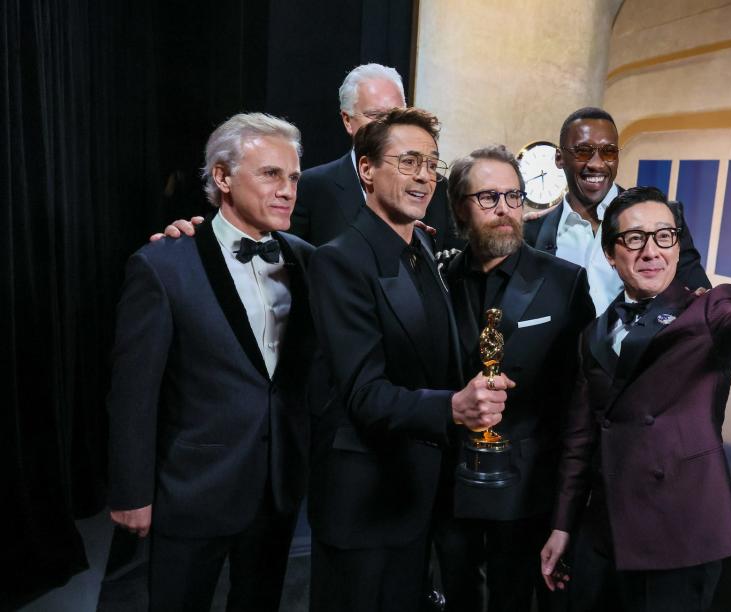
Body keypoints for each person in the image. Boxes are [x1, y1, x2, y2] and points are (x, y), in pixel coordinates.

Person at [539, 179, 731, 612]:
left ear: (676, 245)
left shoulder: (708, 311)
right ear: (611, 255)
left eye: (664, 236)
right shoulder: (592, 333)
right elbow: (580, 441)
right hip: (604, 532)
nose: (651, 251)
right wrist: (562, 526)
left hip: (679, 534)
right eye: (634, 239)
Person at [106, 113, 315, 611]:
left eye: (293, 178)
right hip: (192, 489)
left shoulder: (309, 260)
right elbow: (133, 393)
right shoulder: (163, 264)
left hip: (277, 486)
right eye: (270, 174)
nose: (287, 189)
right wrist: (131, 491)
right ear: (222, 177)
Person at [307, 108, 513, 612]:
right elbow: (364, 394)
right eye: (409, 161)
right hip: (365, 502)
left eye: (431, 164)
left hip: (419, 496)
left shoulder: (421, 242)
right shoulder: (340, 260)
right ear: (366, 170)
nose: (424, 176)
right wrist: (453, 408)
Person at [435, 145, 595, 612]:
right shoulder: (439, 276)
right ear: (460, 208)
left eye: (513, 196)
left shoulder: (565, 282)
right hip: (451, 484)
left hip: (527, 487)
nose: (505, 209)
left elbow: (577, 399)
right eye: (488, 198)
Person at [524, 107, 709, 313]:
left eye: (608, 151)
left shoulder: (666, 219)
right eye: (583, 151)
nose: (596, 164)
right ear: (559, 158)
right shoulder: (531, 232)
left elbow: (700, 300)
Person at [291, 63, 460, 250]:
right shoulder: (313, 186)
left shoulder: (436, 187)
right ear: (347, 120)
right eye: (375, 115)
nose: (387, 126)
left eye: (395, 115)